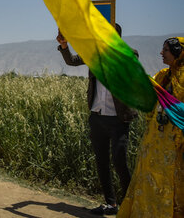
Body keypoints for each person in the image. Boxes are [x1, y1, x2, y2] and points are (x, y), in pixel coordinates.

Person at [56, 24, 137, 216]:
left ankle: (130, 204)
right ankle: (111, 204)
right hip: (97, 116)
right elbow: (72, 61)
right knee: (101, 162)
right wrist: (65, 46)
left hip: (119, 120)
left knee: (119, 161)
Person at [117, 37, 184, 218]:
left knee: (170, 183)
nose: (161, 53)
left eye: (166, 50)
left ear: (178, 53)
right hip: (155, 139)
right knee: (148, 177)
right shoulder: (163, 75)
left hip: (175, 143)